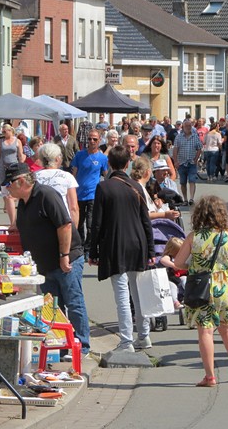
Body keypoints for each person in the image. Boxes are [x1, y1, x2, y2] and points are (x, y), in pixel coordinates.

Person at [5, 162, 90, 355]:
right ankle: (60, 346)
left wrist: (64, 255)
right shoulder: (24, 202)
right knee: (53, 308)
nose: (7, 188)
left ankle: (82, 346)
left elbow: (65, 225)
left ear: (20, 181)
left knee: (73, 301)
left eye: (9, 183)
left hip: (65, 259)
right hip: (44, 264)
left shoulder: (45, 195)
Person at [173, 195, 228, 386]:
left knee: (205, 331)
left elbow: (178, 263)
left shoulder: (194, 237)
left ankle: (210, 376)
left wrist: (196, 267)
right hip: (226, 286)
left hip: (202, 287)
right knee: (227, 329)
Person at [89, 146, 154, 352]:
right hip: (138, 243)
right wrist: (151, 251)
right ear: (128, 164)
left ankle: (126, 340)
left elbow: (96, 223)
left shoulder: (104, 187)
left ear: (109, 163)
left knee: (122, 295)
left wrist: (93, 250)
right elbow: (146, 221)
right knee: (138, 293)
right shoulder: (136, 186)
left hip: (115, 244)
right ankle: (144, 335)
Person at [71, 130, 109, 256]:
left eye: (94, 139)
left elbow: (106, 175)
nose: (91, 142)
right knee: (79, 222)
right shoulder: (80, 155)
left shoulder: (103, 158)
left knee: (91, 223)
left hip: (93, 194)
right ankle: (80, 246)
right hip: (79, 194)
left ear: (99, 141)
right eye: (90, 139)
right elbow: (74, 173)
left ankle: (89, 248)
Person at [36, 143, 80, 227]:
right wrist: (74, 231)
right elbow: (73, 207)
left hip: (39, 223)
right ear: (57, 159)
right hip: (62, 222)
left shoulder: (33, 177)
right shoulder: (67, 177)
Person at [0, 124, 26, 228]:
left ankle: (9, 201)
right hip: (2, 166)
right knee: (4, 187)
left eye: (5, 131)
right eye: (2, 132)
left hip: (14, 167)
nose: (3, 133)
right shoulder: (1, 142)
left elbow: (20, 155)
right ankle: (7, 202)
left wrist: (22, 167)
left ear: (10, 131)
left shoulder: (17, 141)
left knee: (13, 186)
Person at [130, 157, 180, 222]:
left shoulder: (132, 185)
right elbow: (145, 215)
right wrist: (165, 215)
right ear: (148, 172)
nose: (165, 172)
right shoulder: (140, 188)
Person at [172, 119, 202, 205]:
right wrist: (176, 161)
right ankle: (185, 199)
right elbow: (175, 149)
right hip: (181, 163)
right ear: (183, 127)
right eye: (186, 126)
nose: (188, 128)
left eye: (190, 126)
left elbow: (199, 148)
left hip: (192, 163)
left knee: (192, 180)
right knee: (183, 182)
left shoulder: (195, 136)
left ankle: (191, 198)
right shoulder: (178, 137)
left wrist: (196, 159)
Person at [159, 237, 186, 310]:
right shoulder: (169, 257)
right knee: (172, 286)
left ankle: (189, 295)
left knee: (185, 279)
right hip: (169, 279)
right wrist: (174, 265)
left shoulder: (182, 257)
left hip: (179, 277)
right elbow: (163, 260)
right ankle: (175, 302)